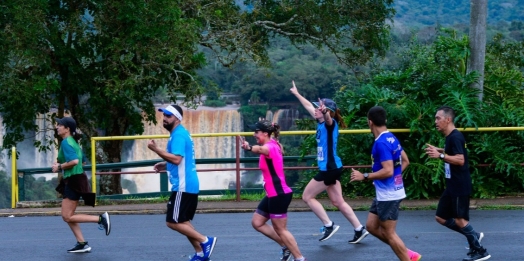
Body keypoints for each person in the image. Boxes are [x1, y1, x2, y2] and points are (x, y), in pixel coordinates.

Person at [290, 81, 368, 243]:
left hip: (329, 169)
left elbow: (328, 119)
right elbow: (308, 106)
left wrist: (325, 112)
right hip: (334, 168)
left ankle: (328, 225)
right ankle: (359, 229)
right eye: (317, 109)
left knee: (307, 196)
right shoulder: (319, 121)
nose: (316, 110)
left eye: (319, 109)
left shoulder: (330, 124)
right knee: (338, 201)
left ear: (328, 112)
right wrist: (297, 93)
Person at [350, 106, 421, 261]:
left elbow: (388, 170)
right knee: (371, 226)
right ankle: (406, 252)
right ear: (385, 120)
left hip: (389, 195)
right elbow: (406, 161)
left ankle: (407, 256)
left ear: (370, 122)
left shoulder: (381, 143)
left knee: (389, 233)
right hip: (386, 192)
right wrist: (392, 179)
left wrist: (365, 176)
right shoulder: (391, 138)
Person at [148, 104, 217, 261]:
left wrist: (156, 150)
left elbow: (177, 159)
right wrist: (165, 164)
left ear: (177, 119)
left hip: (183, 186)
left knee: (172, 222)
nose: (164, 119)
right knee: (183, 221)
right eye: (164, 116)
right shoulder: (180, 133)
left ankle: (206, 241)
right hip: (188, 185)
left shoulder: (178, 135)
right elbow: (181, 159)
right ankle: (201, 254)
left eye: (168, 116)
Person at [424, 106, 490, 261]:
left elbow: (460, 159)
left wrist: (440, 155)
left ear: (448, 119)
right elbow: (453, 152)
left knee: (460, 220)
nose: (436, 121)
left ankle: (480, 251)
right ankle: (473, 234)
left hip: (459, 185)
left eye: (438, 118)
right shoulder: (450, 138)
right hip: (452, 185)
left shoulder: (455, 137)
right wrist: (440, 150)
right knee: (440, 217)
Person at [240, 119, 307, 261]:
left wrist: (248, 148)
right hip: (272, 194)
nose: (254, 134)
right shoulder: (272, 144)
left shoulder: (270, 147)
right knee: (257, 222)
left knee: (281, 229)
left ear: (265, 133)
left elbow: (261, 150)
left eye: (256, 132)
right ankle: (285, 245)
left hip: (279, 194)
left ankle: (300, 258)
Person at [52, 117, 110, 253]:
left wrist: (60, 166)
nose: (57, 127)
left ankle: (101, 219)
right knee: (69, 215)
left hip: (74, 180)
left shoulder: (66, 142)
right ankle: (82, 243)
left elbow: (74, 160)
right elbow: (82, 162)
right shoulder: (73, 142)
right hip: (76, 179)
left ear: (67, 129)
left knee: (67, 216)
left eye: (59, 125)